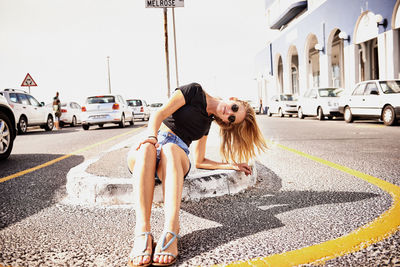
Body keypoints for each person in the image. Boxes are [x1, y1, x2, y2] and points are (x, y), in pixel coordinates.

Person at [126, 82, 267, 266]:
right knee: (147, 149)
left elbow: (200, 161)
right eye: (234, 108)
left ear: (226, 123)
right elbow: (158, 114)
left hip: (174, 157)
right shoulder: (194, 91)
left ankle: (171, 229)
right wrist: (151, 138)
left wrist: (231, 165)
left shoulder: (206, 124)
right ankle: (142, 230)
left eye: (232, 118)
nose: (229, 113)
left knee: (170, 148)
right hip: (152, 142)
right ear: (233, 99)